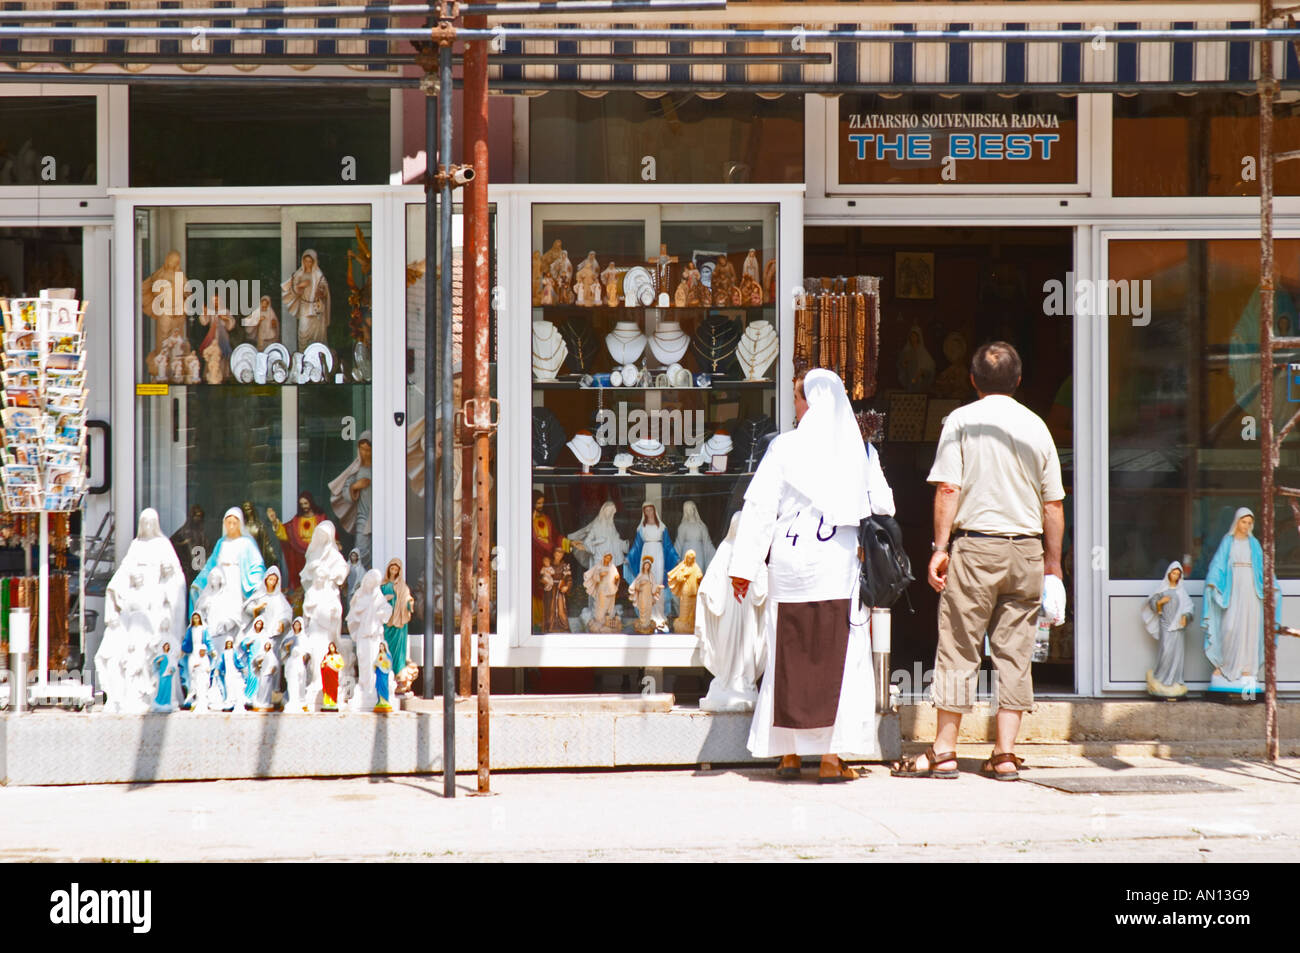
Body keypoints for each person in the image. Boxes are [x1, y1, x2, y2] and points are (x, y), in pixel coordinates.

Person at [895, 342, 1064, 781]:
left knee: (958, 648)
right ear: (1019, 380)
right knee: (1015, 654)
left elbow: (948, 489)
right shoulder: (1037, 427)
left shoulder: (961, 422)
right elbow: (1054, 506)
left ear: (972, 380)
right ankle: (1005, 754)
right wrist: (1053, 565)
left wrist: (939, 547)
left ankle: (945, 751)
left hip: (974, 549)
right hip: (1025, 549)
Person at [729, 369, 894, 782]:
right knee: (840, 657)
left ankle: (788, 757)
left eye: (798, 399)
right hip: (836, 562)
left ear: (812, 401)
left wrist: (743, 568)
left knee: (790, 653)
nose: (796, 408)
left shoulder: (784, 447)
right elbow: (884, 504)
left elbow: (761, 507)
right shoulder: (858, 451)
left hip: (790, 562)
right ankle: (830, 760)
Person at [1202, 508, 1281, 695]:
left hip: (1252, 590)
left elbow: (1264, 566)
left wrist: (1273, 584)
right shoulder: (1228, 542)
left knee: (1250, 629)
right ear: (1236, 522)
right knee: (1229, 627)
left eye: (1249, 523)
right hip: (1233, 589)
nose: (1246, 526)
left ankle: (1247, 668)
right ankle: (1225, 666)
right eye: (1243, 522)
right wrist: (1213, 582)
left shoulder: (1254, 544)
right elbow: (1218, 564)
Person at [329, 432, 373, 567]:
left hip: (379, 515)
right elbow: (346, 491)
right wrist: (355, 486)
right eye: (362, 449)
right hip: (363, 516)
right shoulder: (357, 469)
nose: (365, 453)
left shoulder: (379, 468)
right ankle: (358, 580)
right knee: (361, 549)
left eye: (368, 449)